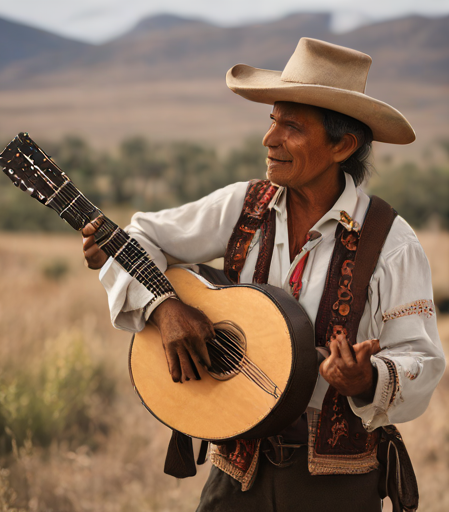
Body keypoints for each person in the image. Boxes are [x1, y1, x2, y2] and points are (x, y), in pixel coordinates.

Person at [82, 38, 445, 511]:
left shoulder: (391, 243)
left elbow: (422, 359)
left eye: (291, 126)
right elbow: (139, 238)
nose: (269, 140)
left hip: (335, 485)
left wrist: (367, 378)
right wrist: (165, 309)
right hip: (237, 469)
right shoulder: (243, 206)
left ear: (343, 145)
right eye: (272, 121)